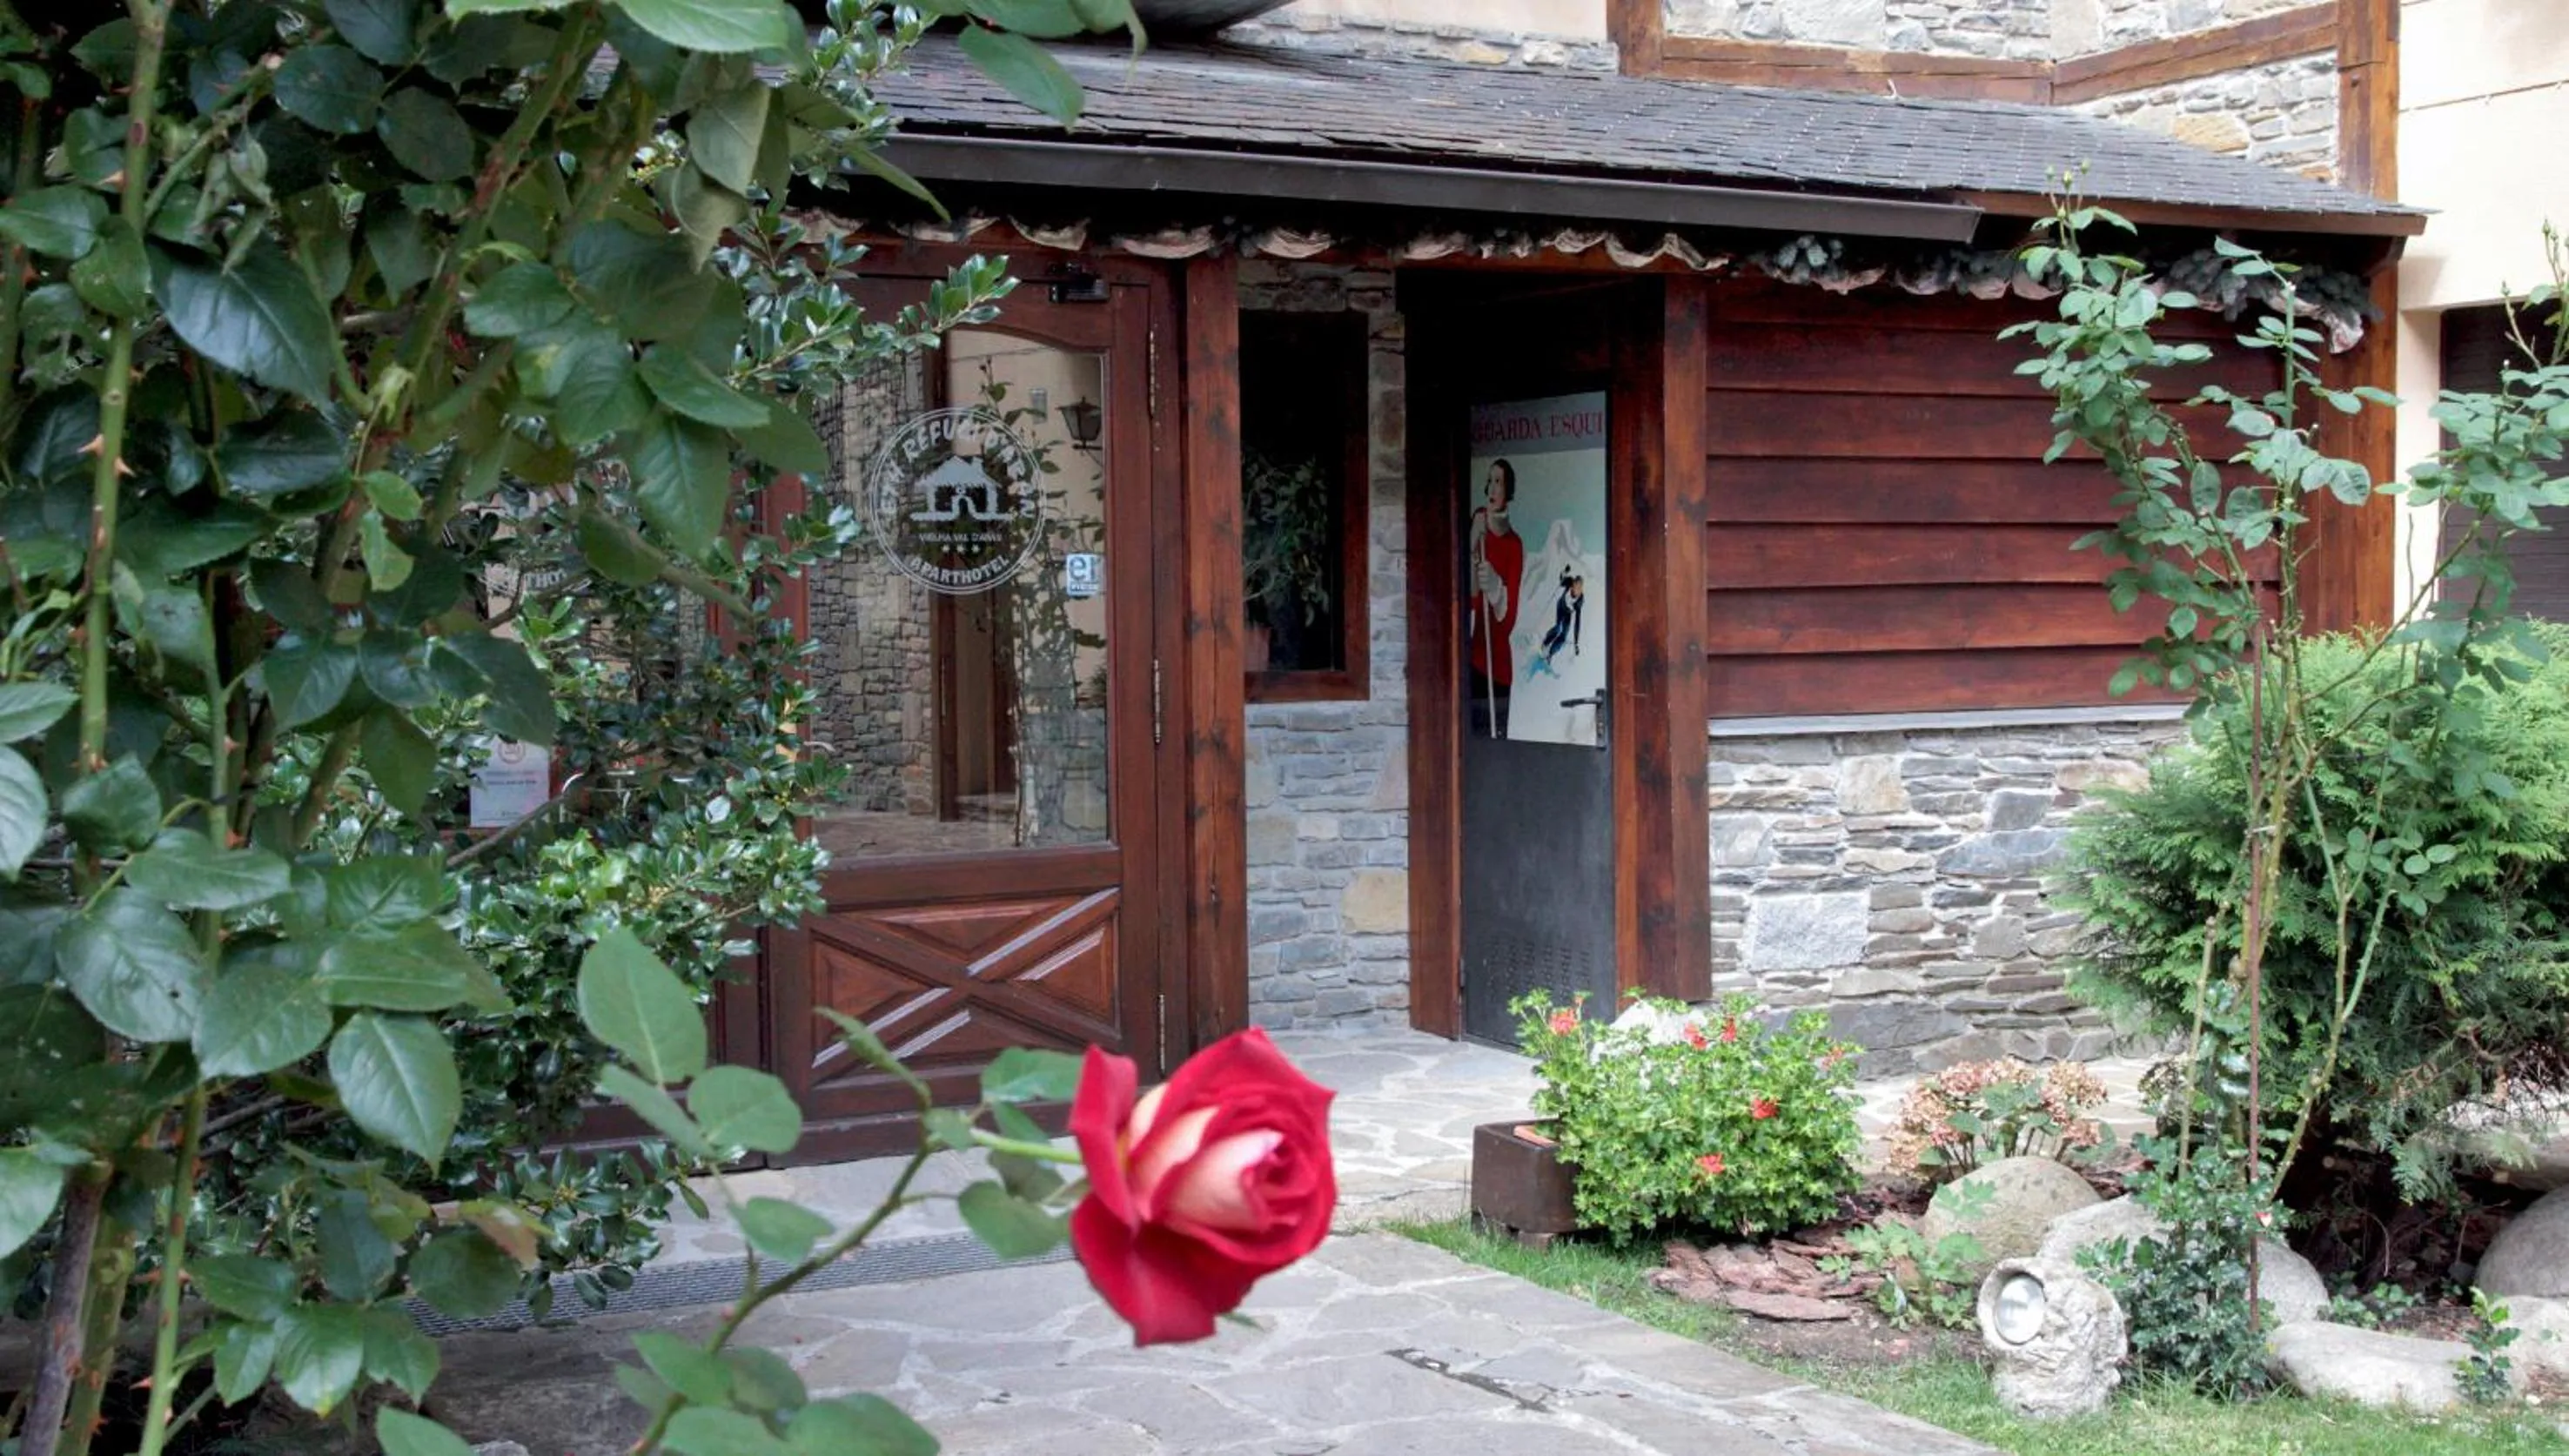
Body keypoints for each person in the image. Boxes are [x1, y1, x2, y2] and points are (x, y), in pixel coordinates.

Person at [1467, 459, 1524, 736]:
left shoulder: (1513, 545)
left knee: (1495, 744)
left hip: (1497, 667)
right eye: (1490, 480)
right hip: (1473, 659)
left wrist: (1496, 587)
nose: (1492, 487)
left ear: (1507, 490)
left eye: (1499, 481)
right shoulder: (1477, 524)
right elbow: (1469, 602)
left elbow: (1508, 620)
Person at [1533, 567, 1584, 675]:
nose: (1578, 591)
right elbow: (1561, 580)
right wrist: (1565, 571)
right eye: (1577, 587)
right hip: (1560, 607)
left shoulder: (1580, 601)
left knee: (1563, 636)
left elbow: (1577, 623)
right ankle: (1545, 643)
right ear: (1573, 585)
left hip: (1568, 614)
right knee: (1558, 628)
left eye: (1580, 589)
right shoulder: (1569, 581)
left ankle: (1550, 654)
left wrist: (1576, 642)